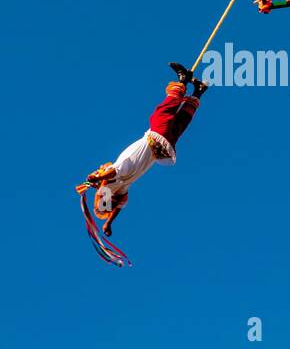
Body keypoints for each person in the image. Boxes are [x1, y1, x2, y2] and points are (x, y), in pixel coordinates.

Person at [76, 64, 207, 263]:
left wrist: (109, 223)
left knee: (179, 122)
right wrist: (98, 177)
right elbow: (110, 174)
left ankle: (198, 91)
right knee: (163, 112)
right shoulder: (115, 179)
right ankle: (183, 80)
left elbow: (119, 205)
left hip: (163, 148)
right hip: (155, 139)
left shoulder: (123, 188)